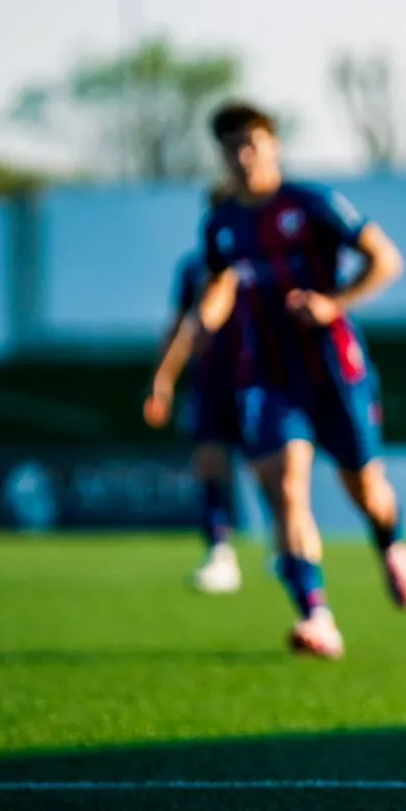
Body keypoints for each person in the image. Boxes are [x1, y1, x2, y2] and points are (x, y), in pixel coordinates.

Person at [151, 102, 406, 659]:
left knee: (366, 491)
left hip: (334, 369)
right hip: (269, 378)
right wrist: (197, 333)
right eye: (231, 147)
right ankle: (316, 616)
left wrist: (334, 303)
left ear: (273, 146)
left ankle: (390, 544)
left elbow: (385, 259)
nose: (242, 155)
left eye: (251, 142)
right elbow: (219, 286)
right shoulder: (223, 222)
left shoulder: (311, 203)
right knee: (286, 491)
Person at [144, 200, 247, 594]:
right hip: (211, 380)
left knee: (272, 468)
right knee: (210, 462)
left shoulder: (266, 261)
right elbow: (181, 324)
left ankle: (286, 544)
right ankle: (220, 550)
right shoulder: (194, 268)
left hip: (261, 379)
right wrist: (163, 378)